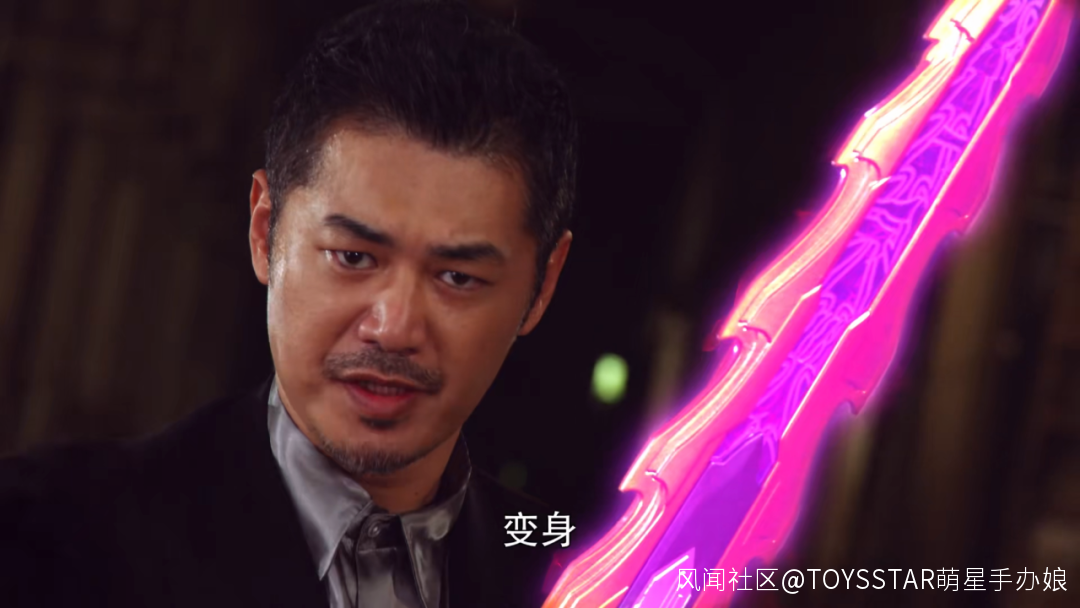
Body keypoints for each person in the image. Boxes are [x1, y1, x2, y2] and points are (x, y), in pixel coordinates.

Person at [0, 1, 578, 606]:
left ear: (542, 286)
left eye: (457, 277)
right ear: (264, 230)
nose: (393, 327)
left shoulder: (580, 575)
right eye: (353, 257)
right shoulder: (48, 539)